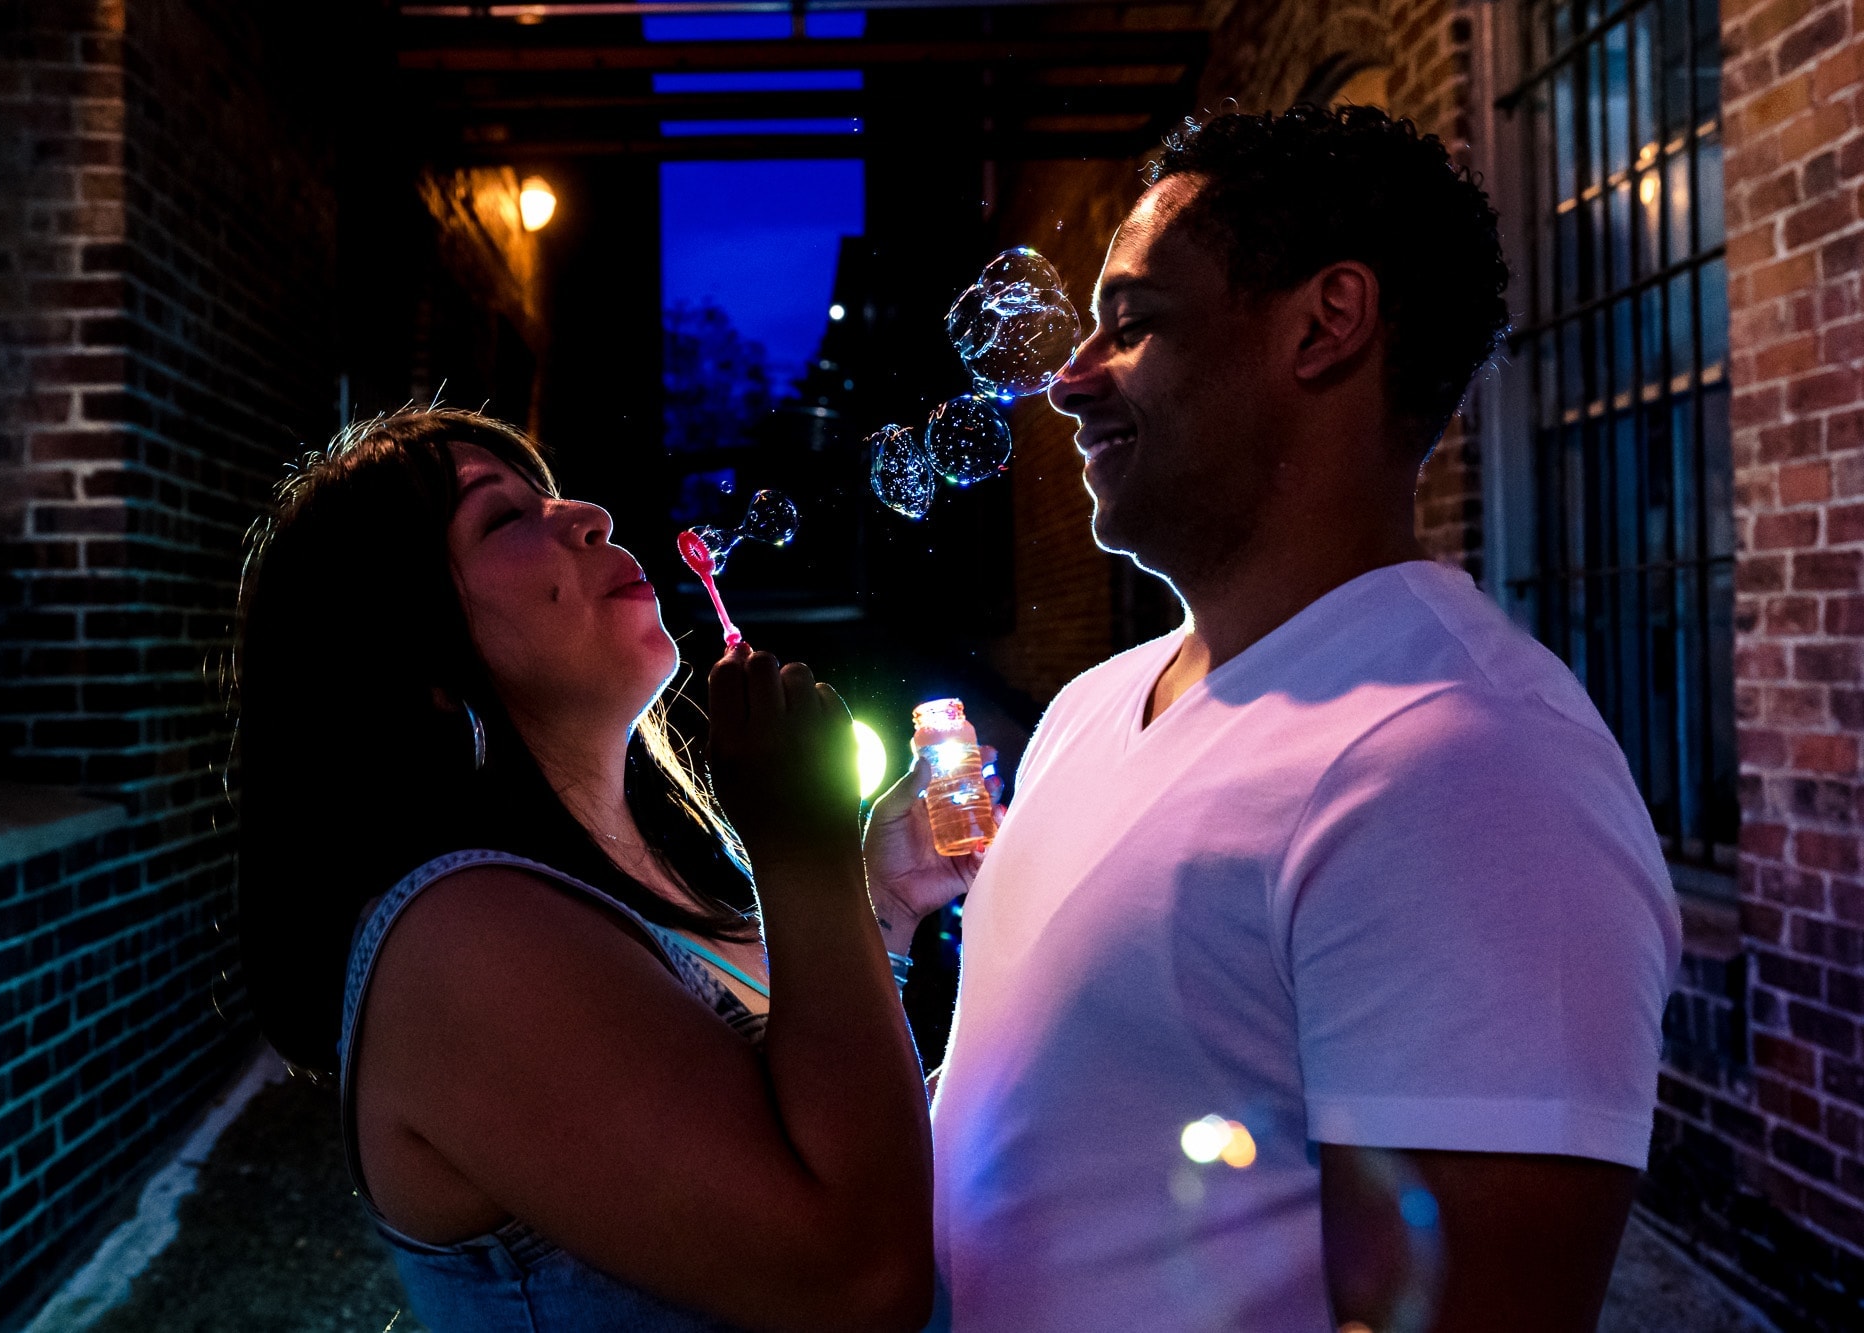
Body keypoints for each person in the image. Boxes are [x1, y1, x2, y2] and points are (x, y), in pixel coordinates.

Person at [868, 106, 1683, 1332]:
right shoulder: (1093, 707)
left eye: (1133, 324)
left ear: (1323, 324)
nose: (1069, 378)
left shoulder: (1466, 763)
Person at [233, 408, 934, 1332]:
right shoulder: (465, 944)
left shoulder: (679, 872)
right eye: (504, 518)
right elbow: (862, 1277)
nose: (592, 515)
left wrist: (877, 897)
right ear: (420, 664)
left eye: (554, 495)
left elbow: (833, 1123)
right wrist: (806, 855)